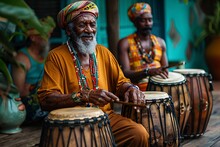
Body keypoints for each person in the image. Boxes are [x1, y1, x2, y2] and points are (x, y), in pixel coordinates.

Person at [37, 1, 149, 146]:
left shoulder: (103, 52)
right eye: (82, 25)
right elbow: (46, 99)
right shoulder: (56, 57)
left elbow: (121, 82)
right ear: (69, 30)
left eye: (93, 24)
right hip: (72, 124)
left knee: (139, 134)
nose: (89, 30)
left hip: (105, 118)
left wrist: (130, 89)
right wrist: (85, 96)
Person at [11, 16, 55, 123]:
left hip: (46, 102)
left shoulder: (47, 56)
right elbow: (19, 92)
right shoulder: (22, 59)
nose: (48, 38)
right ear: (33, 38)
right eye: (45, 35)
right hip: (30, 108)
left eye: (49, 35)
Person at [117, 2, 169, 91]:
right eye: (143, 20)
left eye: (150, 20)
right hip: (136, 92)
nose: (147, 23)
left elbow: (165, 69)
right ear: (135, 22)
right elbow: (125, 73)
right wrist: (148, 72)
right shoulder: (125, 43)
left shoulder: (161, 42)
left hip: (160, 92)